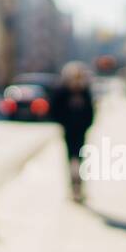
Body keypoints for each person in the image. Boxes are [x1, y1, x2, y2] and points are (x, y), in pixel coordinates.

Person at [49, 61, 96, 201]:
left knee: (80, 158)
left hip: (81, 130)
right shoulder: (63, 92)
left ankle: (79, 186)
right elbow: (54, 109)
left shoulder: (84, 91)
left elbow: (90, 111)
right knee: (71, 158)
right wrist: (63, 123)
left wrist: (87, 124)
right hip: (69, 130)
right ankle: (73, 186)